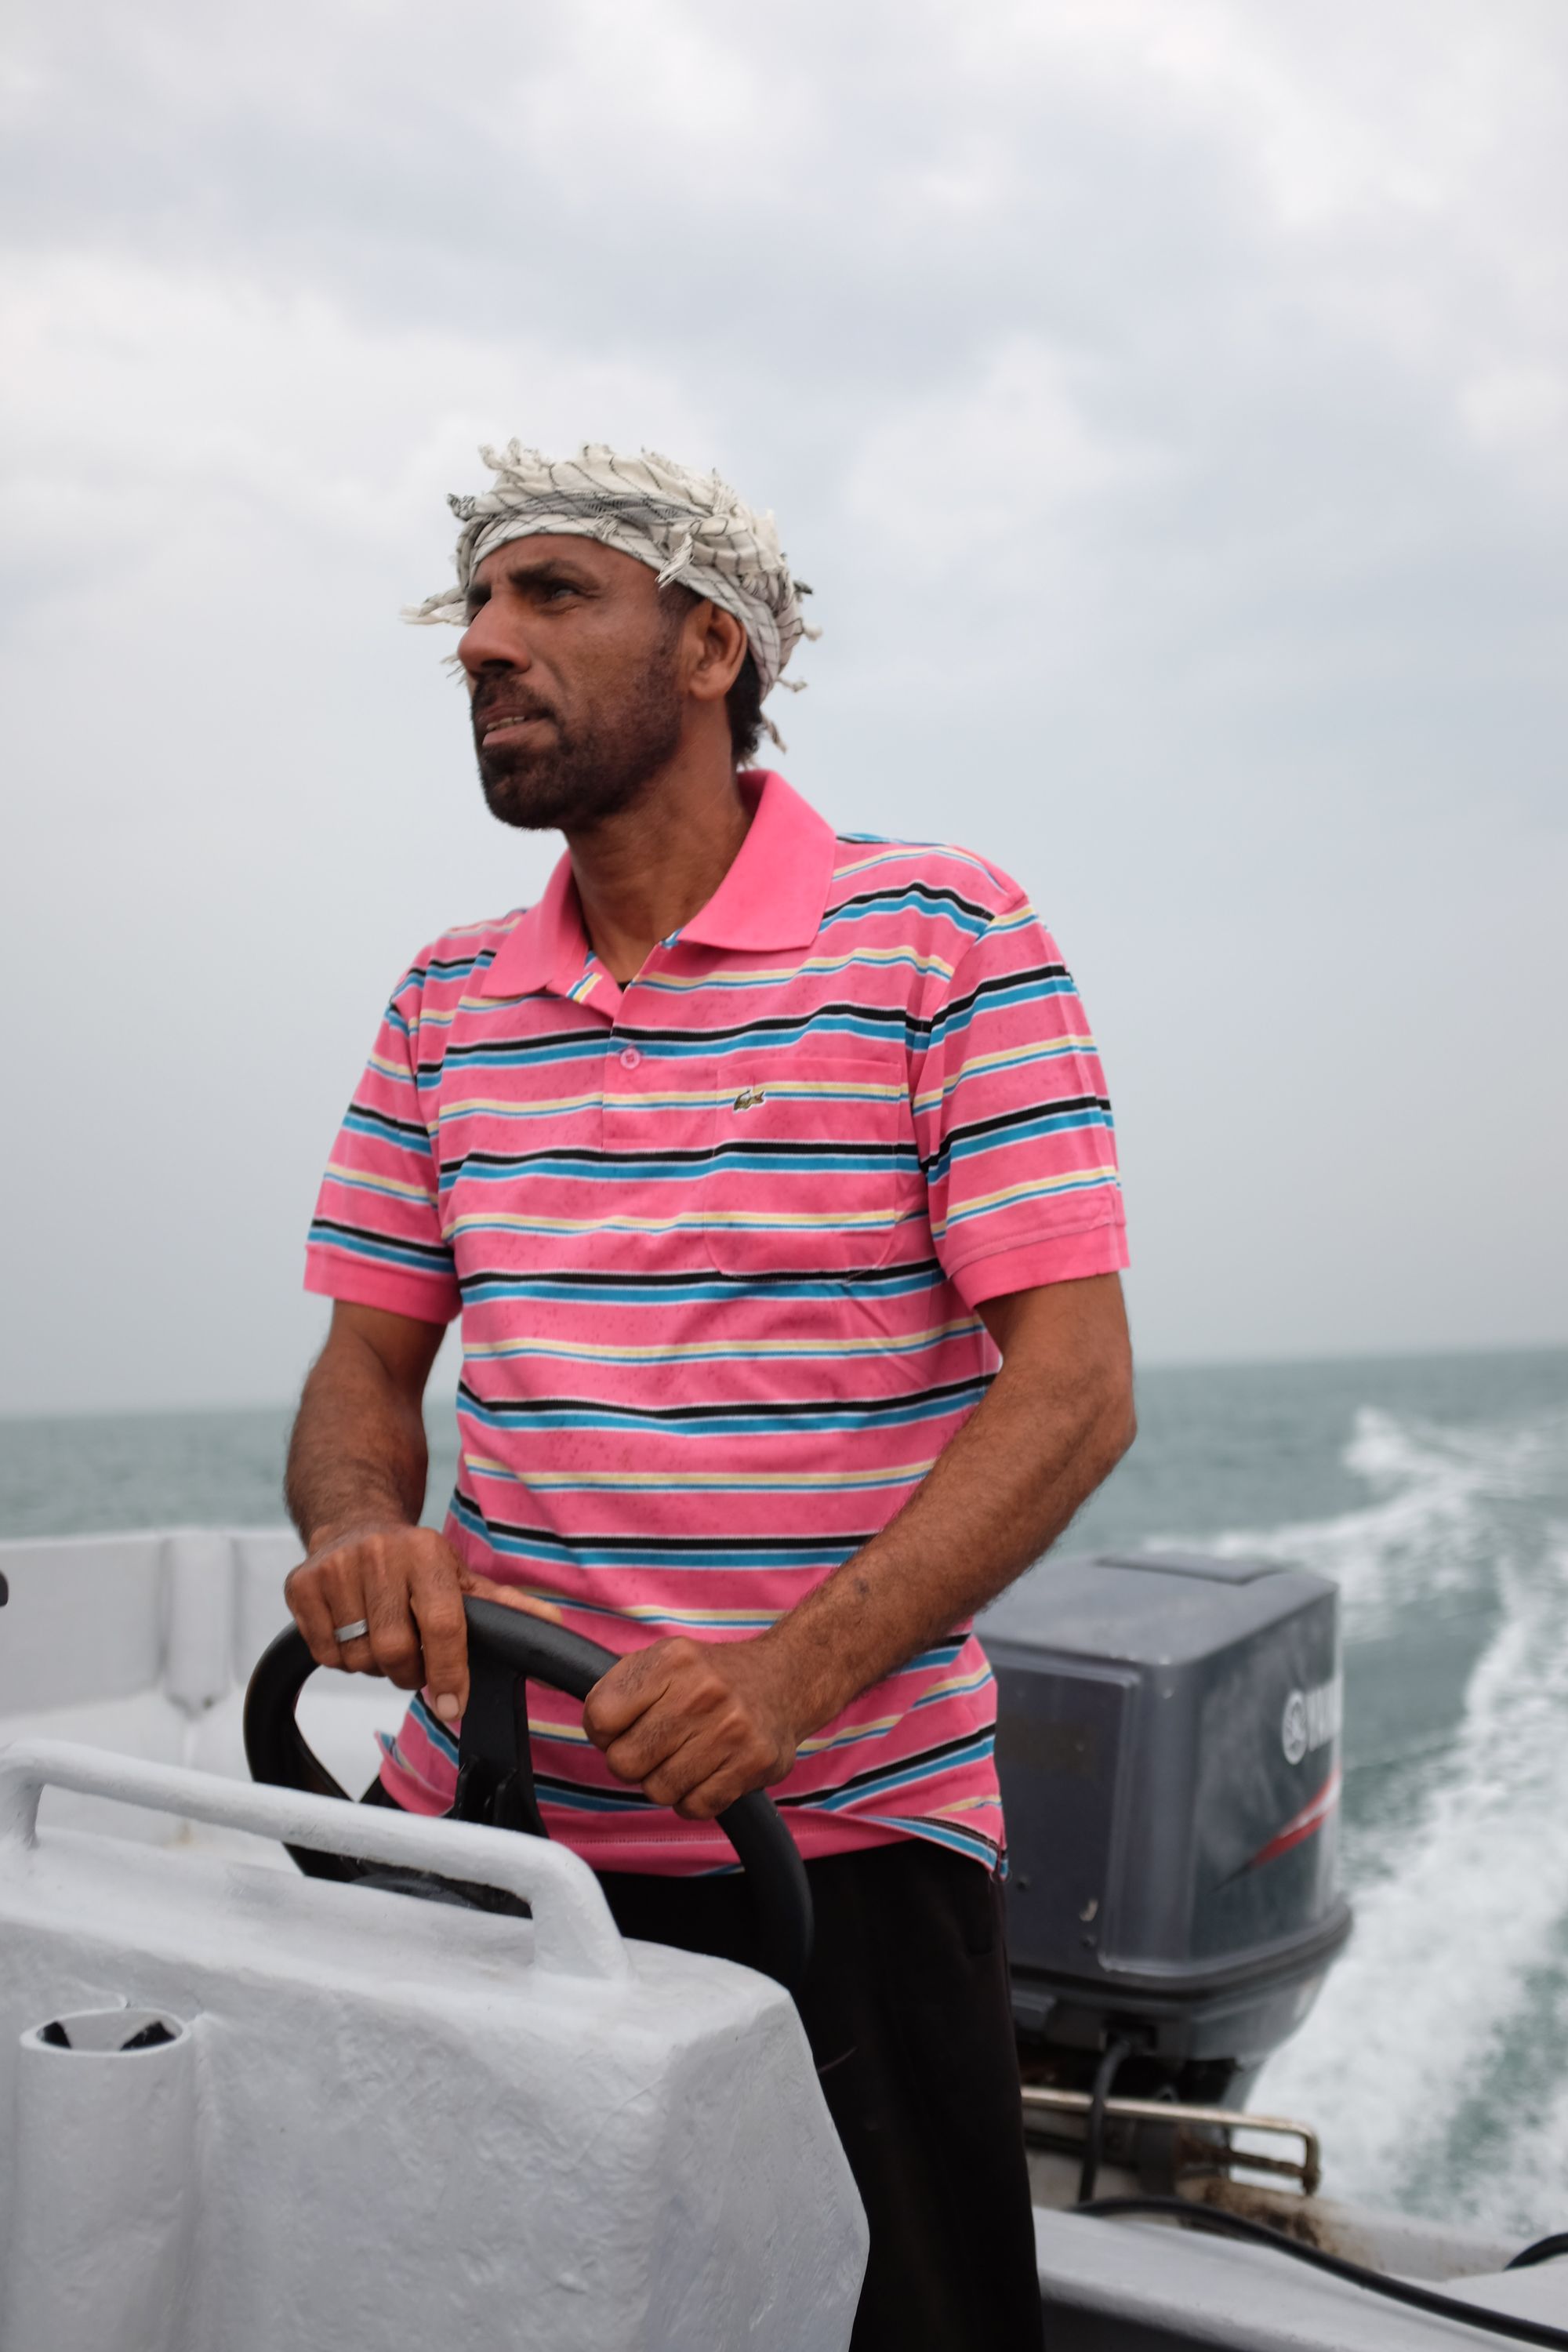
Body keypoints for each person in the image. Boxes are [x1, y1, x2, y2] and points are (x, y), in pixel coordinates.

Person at [284, 442, 1134, 2350]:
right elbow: (365, 1370)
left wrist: (785, 1682)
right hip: (490, 1845)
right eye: (475, 613)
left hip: (839, 1856)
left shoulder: (941, 939)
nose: (486, 646)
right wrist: (359, 1536)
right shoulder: (441, 1000)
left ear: (707, 647)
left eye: (551, 596)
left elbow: (1074, 1391)